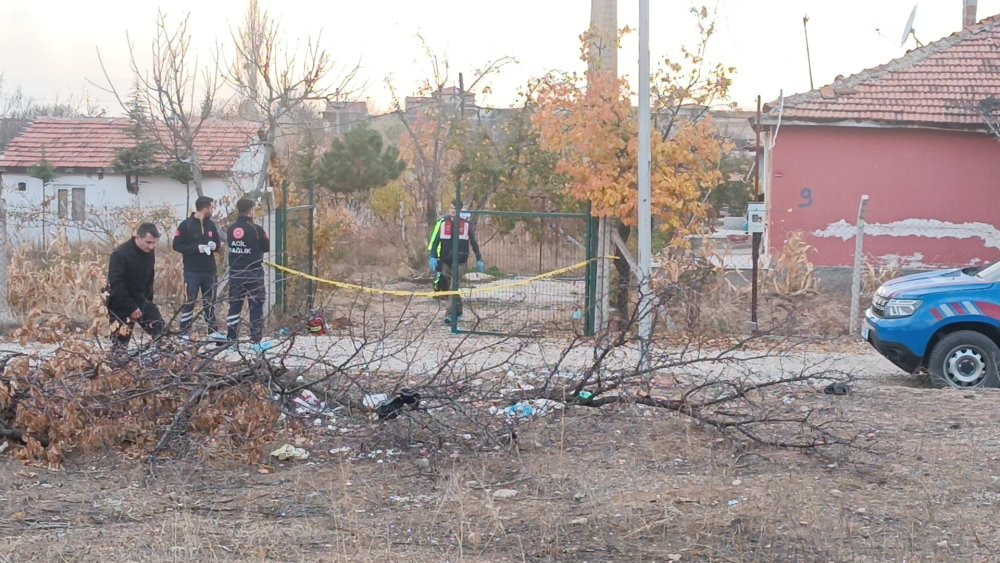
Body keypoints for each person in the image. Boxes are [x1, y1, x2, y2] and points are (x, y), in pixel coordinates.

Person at [172, 195, 226, 341]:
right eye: (212, 207)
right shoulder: (186, 225)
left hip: (209, 270)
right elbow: (176, 245)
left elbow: (216, 241)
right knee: (190, 300)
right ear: (204, 208)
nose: (213, 210)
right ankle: (184, 332)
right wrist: (197, 248)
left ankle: (213, 331)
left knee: (210, 300)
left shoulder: (211, 225)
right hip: (192, 271)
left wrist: (216, 246)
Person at [106, 222, 165, 349]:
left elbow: (149, 277)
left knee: (160, 330)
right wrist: (131, 307)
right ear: (137, 237)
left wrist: (148, 301)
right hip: (120, 301)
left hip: (141, 298)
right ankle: (117, 365)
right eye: (148, 242)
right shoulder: (120, 254)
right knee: (120, 343)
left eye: (154, 243)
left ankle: (164, 361)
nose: (151, 246)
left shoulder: (149, 252)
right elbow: (116, 283)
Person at [427, 200, 485, 325]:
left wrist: (479, 258)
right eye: (451, 208)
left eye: (455, 208)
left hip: (461, 262)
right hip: (445, 261)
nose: (452, 210)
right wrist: (433, 256)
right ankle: (458, 311)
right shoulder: (442, 223)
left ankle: (449, 315)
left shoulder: (466, 225)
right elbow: (435, 241)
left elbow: (473, 243)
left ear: (460, 210)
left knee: (454, 286)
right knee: (450, 289)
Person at [225, 198, 270, 349]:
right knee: (256, 305)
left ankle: (231, 339)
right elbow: (266, 247)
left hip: (236, 272)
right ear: (251, 211)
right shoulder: (257, 229)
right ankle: (255, 340)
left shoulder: (231, 229)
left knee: (235, 305)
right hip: (253, 272)